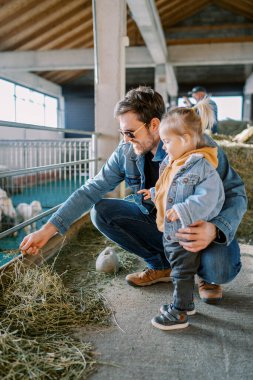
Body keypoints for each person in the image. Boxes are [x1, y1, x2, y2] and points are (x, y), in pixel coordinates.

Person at [19, 86, 247, 305]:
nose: (126, 139)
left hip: (198, 226)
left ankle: (207, 276)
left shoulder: (198, 145)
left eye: (130, 132)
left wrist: (215, 229)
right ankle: (161, 265)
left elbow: (236, 193)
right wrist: (47, 230)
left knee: (221, 268)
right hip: (162, 225)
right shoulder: (126, 152)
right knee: (102, 212)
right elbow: (90, 189)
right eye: (122, 133)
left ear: (155, 125)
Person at [138, 98, 225, 330]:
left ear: (185, 139)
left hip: (186, 233)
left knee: (182, 273)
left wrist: (185, 209)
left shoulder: (202, 166)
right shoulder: (174, 161)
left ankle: (179, 313)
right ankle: (185, 305)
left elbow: (209, 198)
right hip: (171, 231)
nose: (163, 146)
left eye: (167, 141)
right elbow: (170, 187)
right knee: (179, 270)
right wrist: (154, 192)